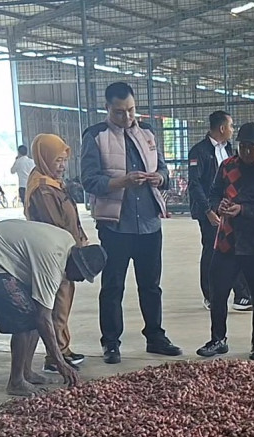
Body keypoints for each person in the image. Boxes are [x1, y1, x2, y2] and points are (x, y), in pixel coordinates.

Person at [80, 82, 183, 364]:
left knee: (151, 284)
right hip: (115, 225)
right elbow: (88, 180)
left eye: (131, 111)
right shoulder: (95, 136)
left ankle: (155, 336)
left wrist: (159, 178)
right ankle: (111, 343)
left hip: (149, 222)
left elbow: (163, 168)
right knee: (113, 286)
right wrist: (120, 182)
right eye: (120, 113)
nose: (127, 118)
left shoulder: (147, 132)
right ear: (107, 109)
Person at [0, 220, 106, 394]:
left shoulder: (68, 243)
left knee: (31, 314)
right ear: (75, 264)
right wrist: (60, 362)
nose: (80, 280)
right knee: (24, 321)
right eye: (81, 275)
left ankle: (26, 372)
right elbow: (43, 318)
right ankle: (16, 381)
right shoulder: (52, 265)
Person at [197, 123, 254, 361]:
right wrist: (219, 205)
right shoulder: (227, 166)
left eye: (252, 148)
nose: (246, 152)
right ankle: (218, 339)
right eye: (243, 147)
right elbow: (214, 193)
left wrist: (243, 210)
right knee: (218, 291)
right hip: (227, 240)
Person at [24, 133, 89, 375]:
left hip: (65, 250)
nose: (62, 166)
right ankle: (55, 355)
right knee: (56, 302)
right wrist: (71, 247)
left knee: (64, 299)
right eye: (57, 161)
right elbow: (53, 223)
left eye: (64, 161)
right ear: (44, 158)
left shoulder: (50, 182)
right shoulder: (42, 188)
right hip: (54, 253)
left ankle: (63, 346)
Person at [188, 110, 252, 313]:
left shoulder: (230, 149)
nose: (233, 130)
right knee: (212, 251)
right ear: (222, 128)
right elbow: (195, 184)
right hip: (209, 212)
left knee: (235, 248)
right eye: (231, 126)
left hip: (228, 210)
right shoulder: (199, 151)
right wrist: (208, 210)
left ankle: (242, 296)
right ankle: (210, 295)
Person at [11, 144, 36, 215]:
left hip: (22, 185)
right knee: (32, 204)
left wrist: (16, 160)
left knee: (25, 204)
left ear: (19, 152)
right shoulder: (32, 161)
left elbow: (12, 171)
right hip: (31, 185)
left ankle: (27, 216)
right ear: (27, 152)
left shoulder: (18, 162)